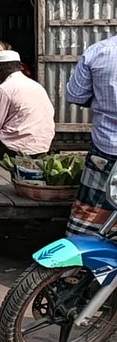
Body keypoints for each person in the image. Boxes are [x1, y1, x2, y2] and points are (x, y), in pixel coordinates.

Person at [65, 34, 117, 237]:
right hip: (104, 146)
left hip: (105, 148)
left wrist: (102, 101)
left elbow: (76, 95)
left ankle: (82, 259)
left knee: (90, 212)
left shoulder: (98, 51)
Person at [0, 49, 55, 158]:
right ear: (19, 66)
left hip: (15, 147)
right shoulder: (36, 85)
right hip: (42, 145)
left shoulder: (4, 89)